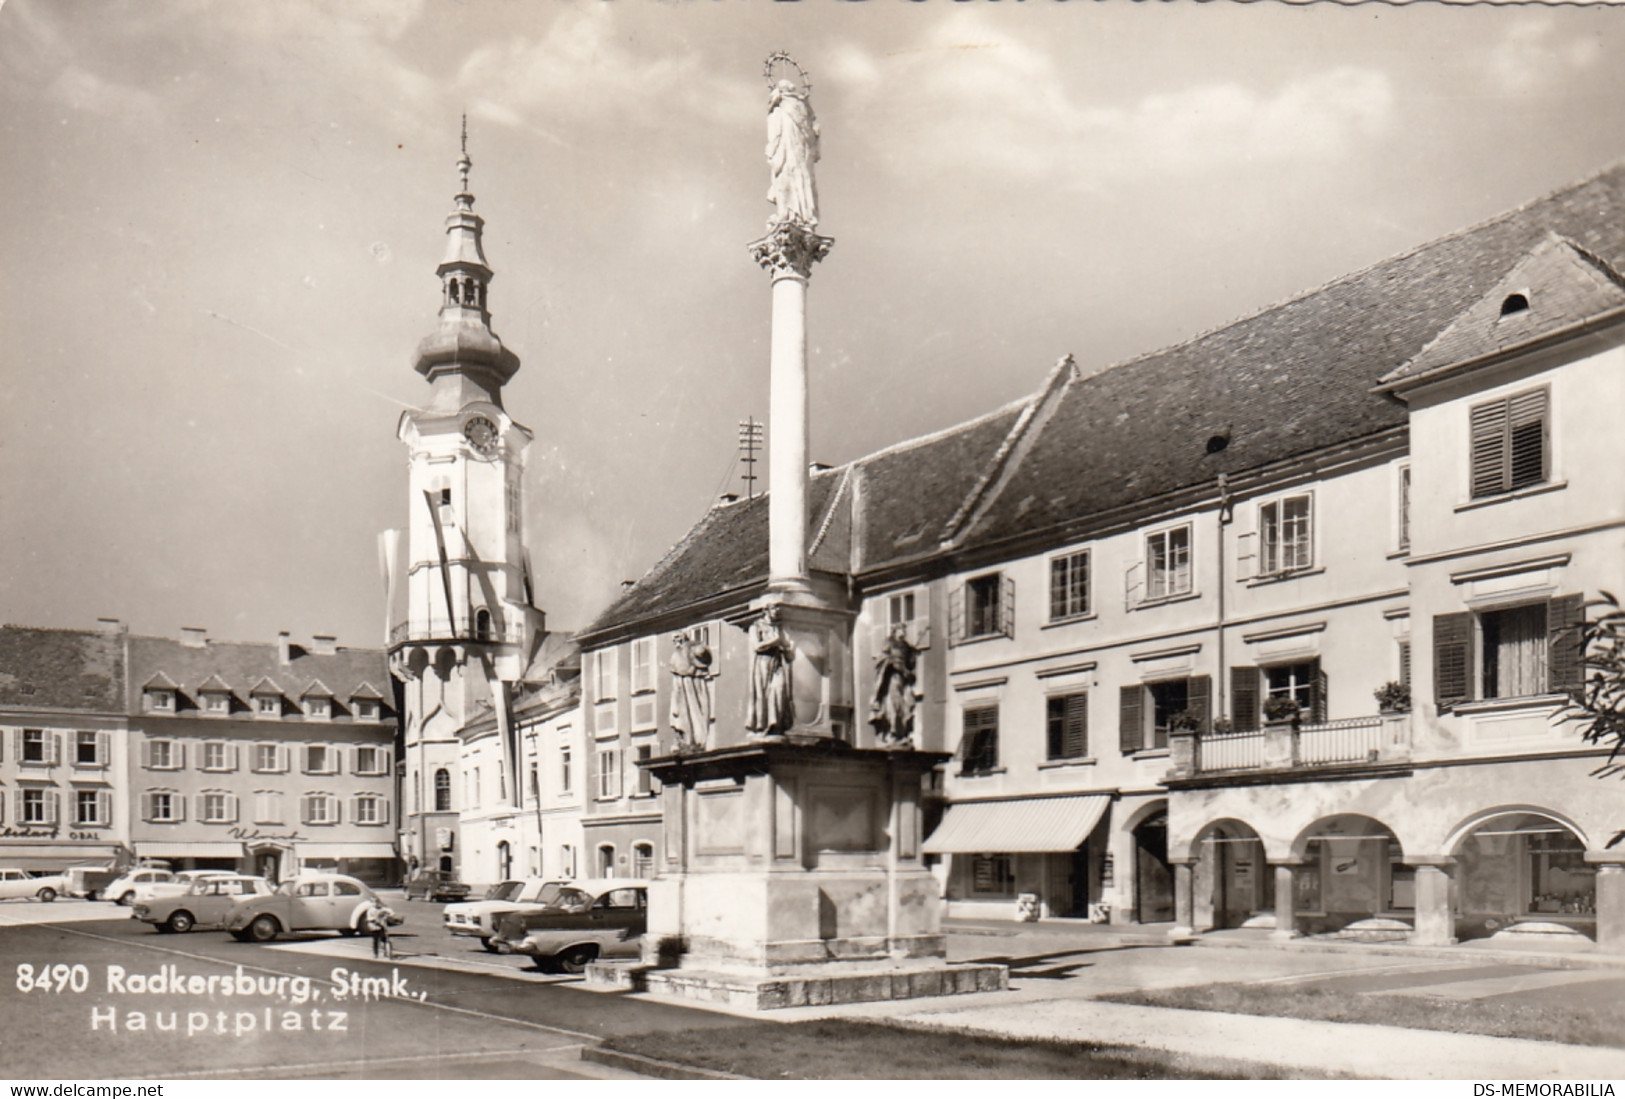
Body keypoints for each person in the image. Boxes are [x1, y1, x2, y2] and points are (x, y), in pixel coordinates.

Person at [765, 79, 820, 229]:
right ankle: (802, 213)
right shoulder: (801, 107)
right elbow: (812, 131)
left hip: (786, 155)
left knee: (785, 180)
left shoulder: (779, 110)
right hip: (801, 156)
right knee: (800, 181)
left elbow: (775, 135)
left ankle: (788, 213)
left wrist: (771, 152)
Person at [869, 623, 921, 746]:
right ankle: (893, 733)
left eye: (904, 630)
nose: (903, 632)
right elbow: (883, 661)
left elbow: (911, 667)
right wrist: (892, 663)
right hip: (892, 678)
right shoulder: (889, 644)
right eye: (900, 630)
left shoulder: (907, 647)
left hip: (904, 682)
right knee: (894, 704)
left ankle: (902, 733)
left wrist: (912, 660)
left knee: (906, 705)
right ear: (895, 631)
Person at [746, 605, 794, 737]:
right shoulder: (755, 627)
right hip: (762, 664)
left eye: (778, 608)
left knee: (779, 689)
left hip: (777, 665)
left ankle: (776, 724)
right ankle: (764, 725)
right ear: (766, 611)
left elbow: (789, 655)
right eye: (773, 608)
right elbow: (756, 646)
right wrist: (775, 641)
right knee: (763, 694)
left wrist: (788, 649)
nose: (777, 611)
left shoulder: (780, 629)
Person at [669, 632, 715, 750]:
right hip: (681, 687)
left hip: (693, 686)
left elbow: (703, 655)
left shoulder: (692, 648)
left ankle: (696, 740)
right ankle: (686, 739)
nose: (676, 642)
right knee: (682, 714)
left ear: (684, 638)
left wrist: (696, 661)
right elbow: (676, 672)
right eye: (674, 640)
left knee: (696, 712)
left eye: (678, 638)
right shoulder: (676, 655)